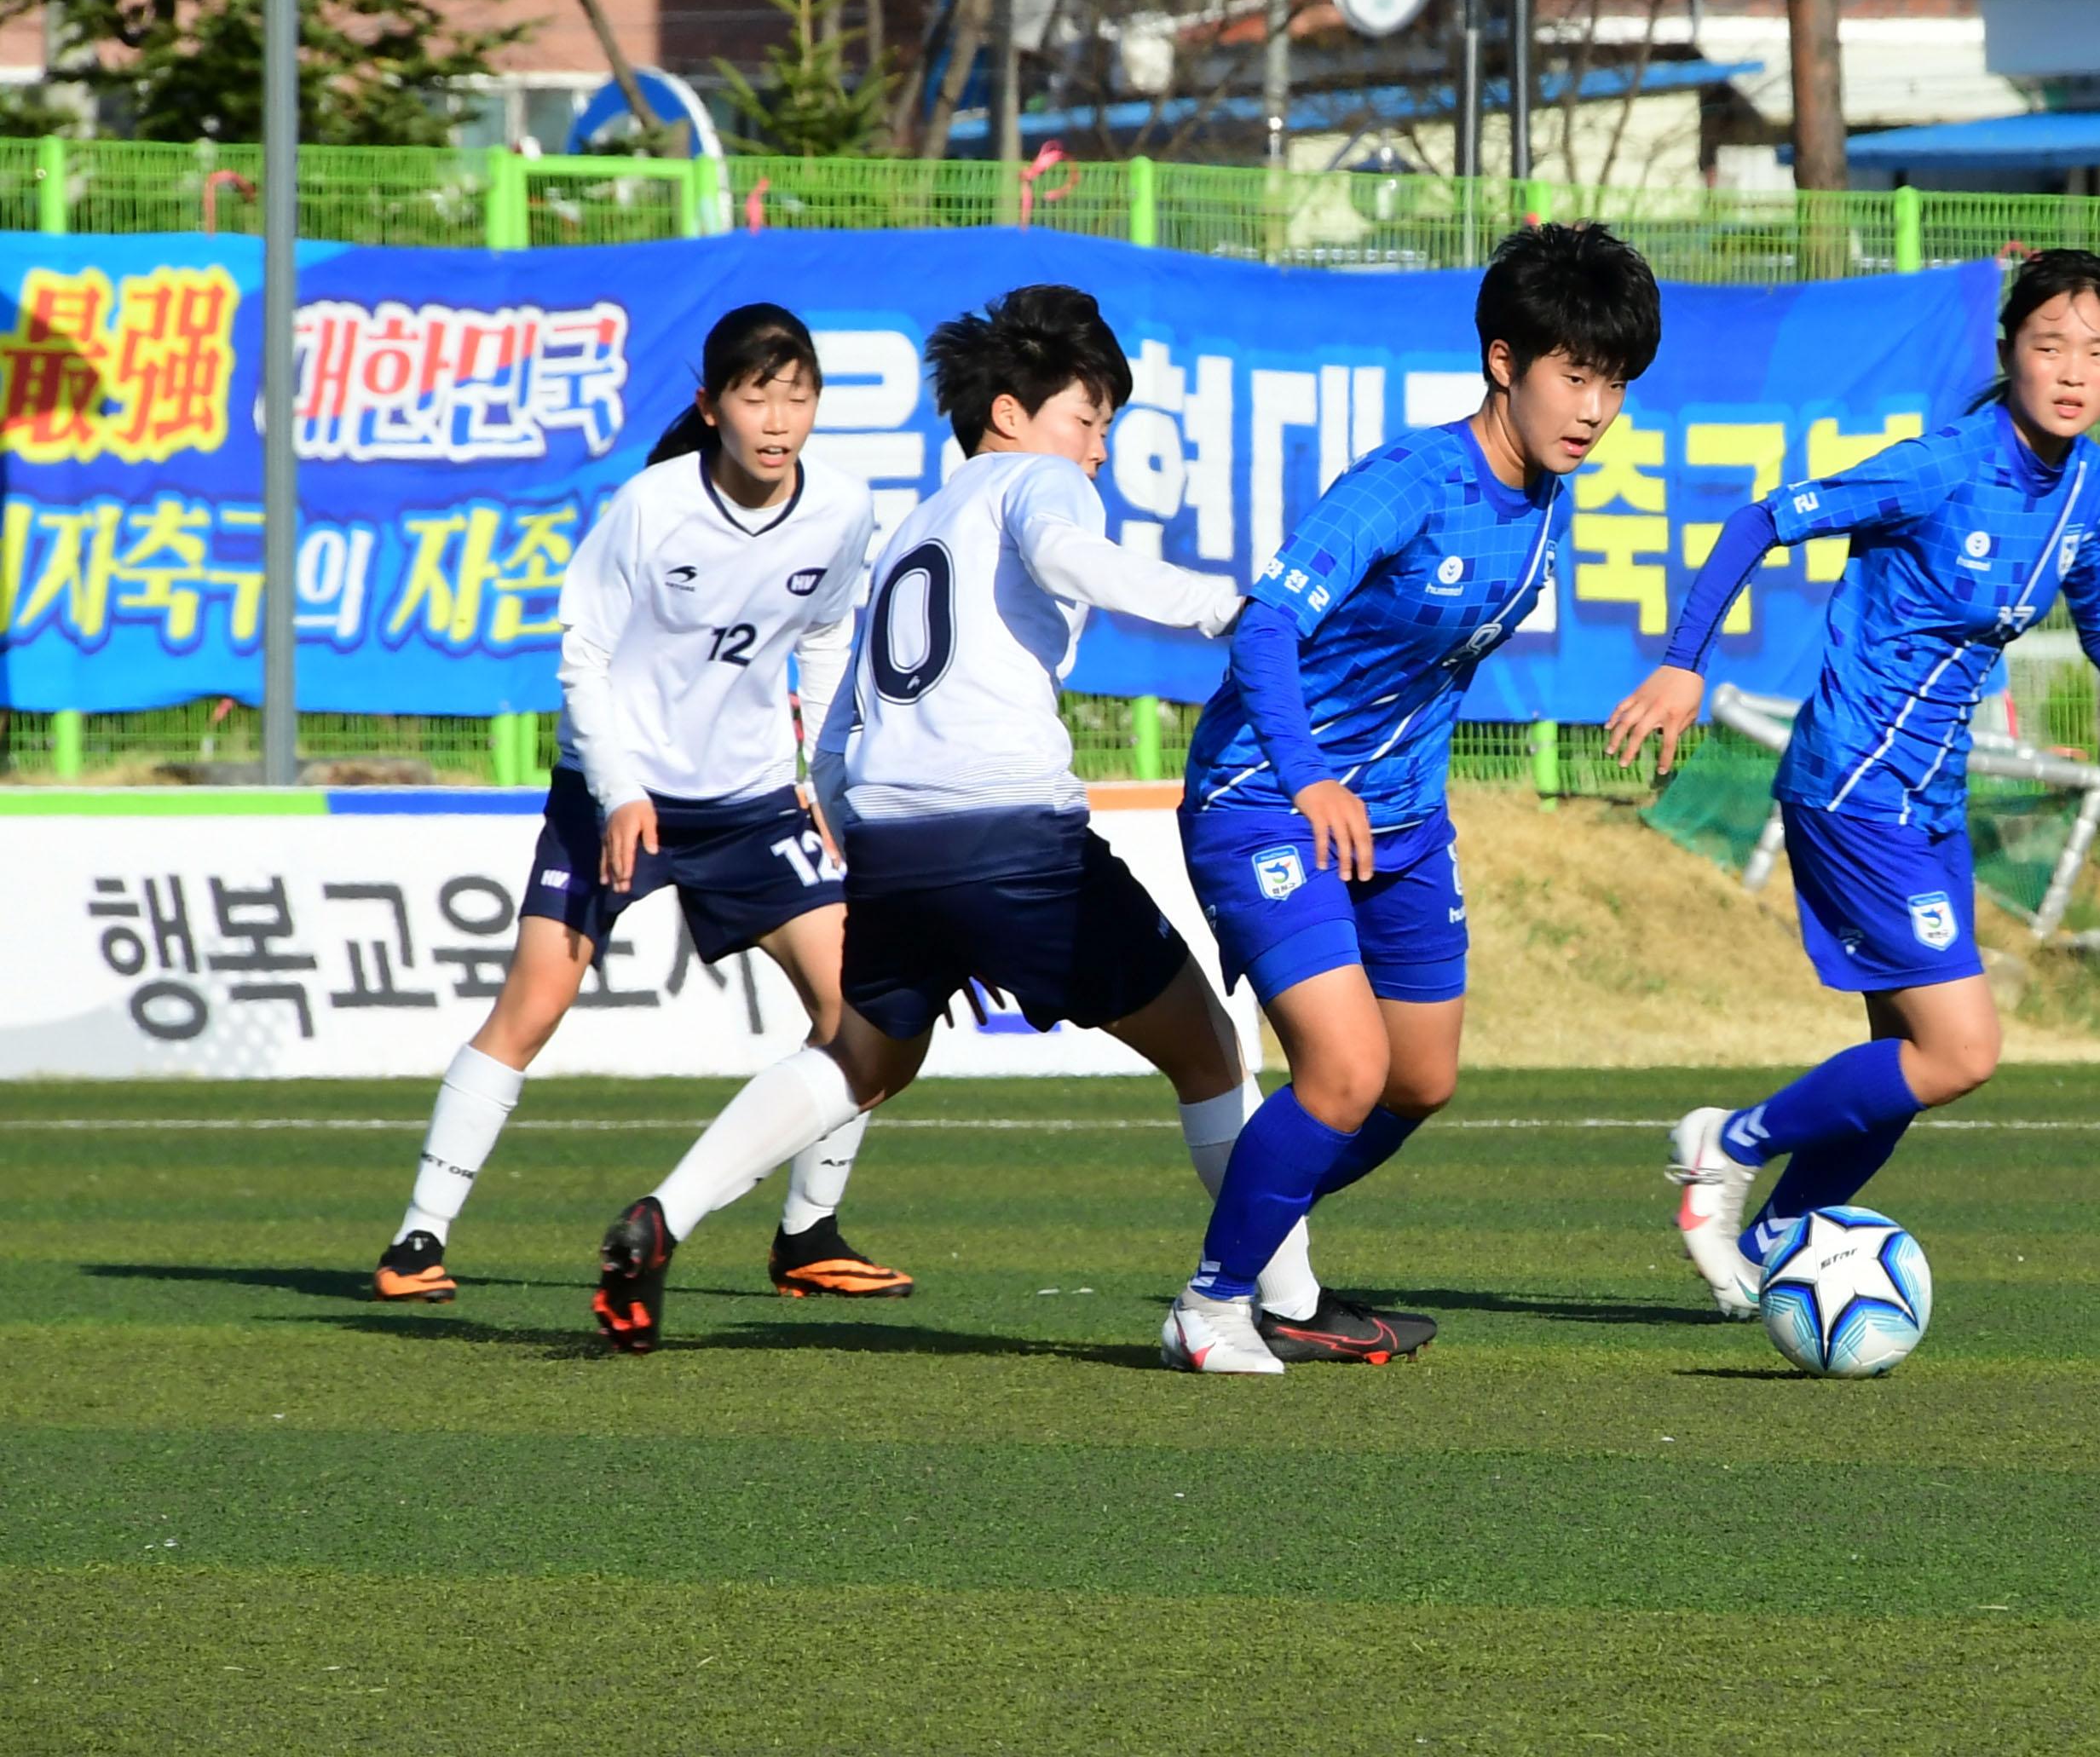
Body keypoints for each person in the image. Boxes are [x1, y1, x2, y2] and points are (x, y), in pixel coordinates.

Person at [589, 284, 1358, 1355]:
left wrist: (893, 862)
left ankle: (665, 1212)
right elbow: (1066, 556)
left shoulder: (913, 527)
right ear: (1009, 413)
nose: (1095, 450)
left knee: (865, 1056)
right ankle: (1278, 1301)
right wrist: (1226, 608)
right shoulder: (1035, 484)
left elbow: (837, 742)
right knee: (1211, 1050)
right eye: (1088, 419)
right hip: (1011, 834)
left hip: (897, 844)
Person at [1605, 247, 2100, 1318]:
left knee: (1905, 1057)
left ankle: (1786, 1237)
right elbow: (1759, 520)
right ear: (2009, 350)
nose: (2073, 370)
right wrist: (1686, 663)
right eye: (2050, 344)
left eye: (2098, 351)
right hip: (1852, 786)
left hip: (1929, 799)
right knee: (1961, 1048)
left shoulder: (2090, 486)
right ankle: (1724, 1145)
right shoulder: (1941, 466)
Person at [1161, 221, 1660, 1374]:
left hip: (1401, 823)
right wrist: (1311, 776)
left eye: (1615, 383)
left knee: (1421, 1079)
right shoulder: (1409, 481)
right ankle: (1217, 1302)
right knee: (1345, 1072)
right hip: (1267, 798)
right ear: (1503, 362)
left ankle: (1258, 1236)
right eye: (1572, 375)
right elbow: (1270, 625)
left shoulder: (1547, 494)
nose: (1593, 408)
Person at [372, 303, 909, 1305]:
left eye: (798, 396)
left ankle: (808, 1235)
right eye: (757, 395)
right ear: (712, 406)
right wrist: (620, 794)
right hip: (612, 791)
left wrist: (828, 782)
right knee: (531, 1007)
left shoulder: (841, 505)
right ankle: (416, 1240)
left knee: (863, 1014)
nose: (779, 418)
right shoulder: (653, 508)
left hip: (751, 801)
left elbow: (831, 638)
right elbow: (584, 657)